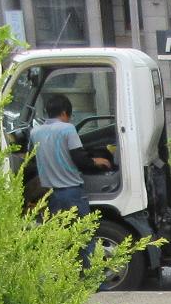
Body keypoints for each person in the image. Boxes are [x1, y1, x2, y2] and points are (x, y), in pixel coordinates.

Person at [28, 91, 111, 220]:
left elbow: (43, 156)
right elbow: (80, 159)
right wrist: (97, 162)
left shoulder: (35, 132)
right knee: (84, 234)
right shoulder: (67, 129)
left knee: (59, 235)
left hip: (50, 194)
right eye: (70, 115)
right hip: (71, 193)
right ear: (64, 113)